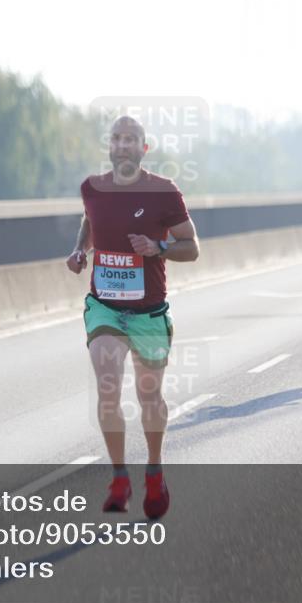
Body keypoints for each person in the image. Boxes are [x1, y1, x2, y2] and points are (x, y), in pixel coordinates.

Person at [66, 115, 199, 518]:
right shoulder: (93, 188)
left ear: (144, 148)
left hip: (149, 312)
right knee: (107, 384)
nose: (123, 145)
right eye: (117, 139)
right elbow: (91, 220)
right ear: (110, 146)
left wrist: (158, 247)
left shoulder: (163, 192)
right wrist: (80, 250)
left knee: (149, 396)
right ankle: (119, 476)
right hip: (104, 305)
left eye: (131, 139)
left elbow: (191, 247)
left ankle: (154, 472)